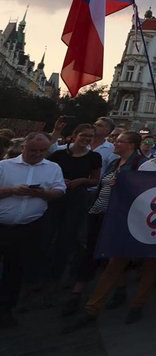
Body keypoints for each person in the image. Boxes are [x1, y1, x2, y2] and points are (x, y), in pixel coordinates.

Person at [63, 131, 145, 317]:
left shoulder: (139, 164)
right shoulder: (115, 163)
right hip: (99, 211)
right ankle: (82, 292)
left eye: (120, 141)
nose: (115, 143)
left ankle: (87, 295)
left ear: (131, 145)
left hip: (117, 215)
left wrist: (126, 185)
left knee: (108, 254)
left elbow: (143, 190)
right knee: (94, 251)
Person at [0, 133, 66, 328]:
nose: (37, 154)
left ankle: (6, 310)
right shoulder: (4, 166)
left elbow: (60, 191)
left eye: (42, 151)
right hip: (2, 225)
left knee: (16, 270)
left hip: (29, 228)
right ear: (23, 147)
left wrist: (42, 193)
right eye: (33, 150)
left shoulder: (53, 168)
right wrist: (11, 191)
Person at [47, 124, 102, 289]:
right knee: (50, 234)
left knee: (68, 236)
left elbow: (95, 180)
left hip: (77, 198)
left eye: (90, 137)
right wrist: (59, 181)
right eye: (83, 135)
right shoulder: (58, 155)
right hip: (56, 197)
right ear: (74, 136)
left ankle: (58, 274)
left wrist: (82, 181)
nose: (86, 139)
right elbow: (47, 174)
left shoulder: (94, 157)